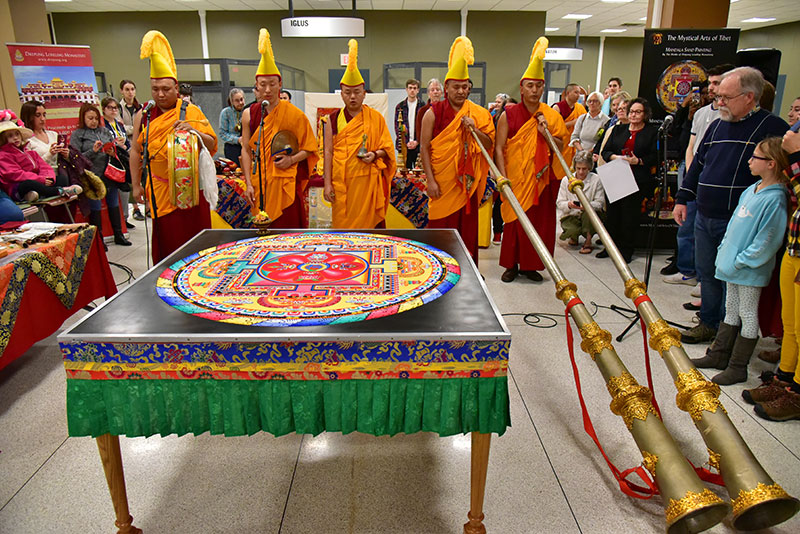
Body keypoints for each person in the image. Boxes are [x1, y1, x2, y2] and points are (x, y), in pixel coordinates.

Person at [674, 66, 789, 344]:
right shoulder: (716, 125)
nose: (719, 103)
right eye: (718, 97)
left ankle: (730, 334)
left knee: (733, 280)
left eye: (726, 97)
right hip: (704, 214)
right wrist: (682, 198)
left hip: (741, 220)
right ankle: (709, 322)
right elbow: (698, 165)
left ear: (749, 96)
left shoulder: (772, 127)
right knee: (708, 273)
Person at [691, 137, 788, 385]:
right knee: (731, 310)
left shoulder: (775, 199)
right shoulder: (751, 190)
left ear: (771, 164)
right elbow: (735, 226)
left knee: (747, 313)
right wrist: (725, 253)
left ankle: (738, 366)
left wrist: (742, 260)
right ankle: (720, 354)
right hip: (732, 266)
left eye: (755, 157)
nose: (749, 161)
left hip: (748, 270)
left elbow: (768, 239)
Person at [130, 30, 217, 263]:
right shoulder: (144, 116)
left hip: (190, 189)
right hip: (160, 190)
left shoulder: (191, 112)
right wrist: (136, 185)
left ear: (176, 88)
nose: (160, 94)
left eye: (166, 89)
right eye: (155, 89)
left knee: (194, 245)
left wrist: (195, 132)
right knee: (167, 244)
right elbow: (136, 152)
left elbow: (211, 144)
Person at [494, 36, 568, 281]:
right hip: (515, 178)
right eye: (530, 86)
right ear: (522, 87)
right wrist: (502, 178)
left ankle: (530, 265)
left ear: (543, 88)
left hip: (541, 179)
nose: (534, 90)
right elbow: (499, 147)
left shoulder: (550, 116)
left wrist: (545, 133)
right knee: (514, 223)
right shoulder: (509, 114)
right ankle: (511, 265)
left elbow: (560, 146)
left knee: (538, 223)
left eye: (538, 86)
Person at [420, 36, 494, 264]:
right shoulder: (433, 113)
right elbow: (424, 148)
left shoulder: (479, 114)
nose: (461, 91)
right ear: (446, 88)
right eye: (456, 87)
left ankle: (468, 269)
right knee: (440, 230)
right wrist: (430, 182)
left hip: (467, 185)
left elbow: (489, 143)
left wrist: (475, 130)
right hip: (442, 185)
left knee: (467, 229)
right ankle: (438, 270)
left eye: (465, 87)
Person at [743, 130, 800, 420]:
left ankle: (797, 396)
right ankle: (785, 379)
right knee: (789, 325)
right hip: (794, 249)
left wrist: (797, 154)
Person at [240, 29, 318, 227]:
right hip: (260, 185)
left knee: (289, 233)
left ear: (280, 84)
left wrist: (292, 159)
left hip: (286, 184)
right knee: (264, 232)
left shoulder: (295, 115)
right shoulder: (250, 114)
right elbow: (246, 151)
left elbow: (310, 148)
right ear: (256, 86)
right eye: (263, 85)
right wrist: (248, 183)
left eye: (272, 84)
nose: (268, 90)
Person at [322, 39, 396, 229]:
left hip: (367, 185)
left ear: (364, 93)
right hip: (342, 185)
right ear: (341, 94)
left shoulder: (375, 118)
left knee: (369, 232)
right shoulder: (331, 120)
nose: (352, 97)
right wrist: (327, 184)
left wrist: (375, 155)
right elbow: (328, 153)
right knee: (344, 232)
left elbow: (386, 149)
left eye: (356, 92)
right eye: (348, 92)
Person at [599, 98, 658, 263]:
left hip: (637, 179)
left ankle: (626, 250)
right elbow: (605, 151)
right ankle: (609, 247)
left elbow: (655, 156)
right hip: (616, 175)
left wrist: (637, 161)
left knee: (629, 217)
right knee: (612, 215)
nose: (633, 115)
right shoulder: (618, 130)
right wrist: (615, 157)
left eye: (638, 112)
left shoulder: (651, 132)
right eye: (631, 111)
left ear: (645, 114)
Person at [71, 103, 130, 246]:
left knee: (114, 204)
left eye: (96, 118)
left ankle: (118, 234)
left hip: (109, 173)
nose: (94, 121)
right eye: (90, 118)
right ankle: (99, 240)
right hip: (92, 176)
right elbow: (76, 157)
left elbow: (114, 148)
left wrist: (112, 151)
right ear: (83, 118)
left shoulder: (104, 131)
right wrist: (93, 151)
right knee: (96, 207)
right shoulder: (78, 135)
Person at [0, 111, 81, 202]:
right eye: (10, 136)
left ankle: (36, 194)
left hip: (38, 181)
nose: (15, 138)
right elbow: (15, 174)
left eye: (17, 134)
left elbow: (44, 166)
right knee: (29, 184)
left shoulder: (30, 153)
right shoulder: (3, 156)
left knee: (62, 178)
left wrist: (48, 178)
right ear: (3, 139)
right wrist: (40, 179)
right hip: (18, 186)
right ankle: (59, 191)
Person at [556, 150, 605, 253]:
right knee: (571, 229)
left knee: (588, 213)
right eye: (578, 168)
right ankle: (573, 235)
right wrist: (569, 205)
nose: (581, 172)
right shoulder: (566, 180)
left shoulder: (596, 179)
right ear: (574, 167)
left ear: (590, 168)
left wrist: (586, 205)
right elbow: (559, 202)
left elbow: (600, 202)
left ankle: (588, 240)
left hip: (589, 215)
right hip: (571, 214)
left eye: (584, 169)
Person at [119, 79, 145, 221]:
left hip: (141, 146)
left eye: (132, 89)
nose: (130, 92)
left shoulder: (140, 108)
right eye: (127, 89)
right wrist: (135, 128)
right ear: (122, 91)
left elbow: (142, 128)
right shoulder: (118, 107)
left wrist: (132, 129)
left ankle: (148, 207)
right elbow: (120, 128)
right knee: (132, 177)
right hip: (125, 148)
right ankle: (135, 208)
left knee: (145, 175)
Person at [20, 100, 69, 175]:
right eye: (38, 115)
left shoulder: (53, 135)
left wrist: (66, 155)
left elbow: (64, 160)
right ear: (29, 117)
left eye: (44, 115)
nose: (42, 119)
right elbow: (31, 167)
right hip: (42, 178)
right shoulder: (26, 141)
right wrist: (49, 154)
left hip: (61, 173)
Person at [394, 78, 423, 170]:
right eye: (410, 88)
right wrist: (405, 142)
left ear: (418, 90)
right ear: (406, 89)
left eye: (414, 88)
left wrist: (417, 141)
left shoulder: (422, 106)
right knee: (404, 172)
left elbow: (424, 127)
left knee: (419, 172)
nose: (412, 90)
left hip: (418, 145)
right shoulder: (400, 107)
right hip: (404, 145)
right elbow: (397, 126)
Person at [219, 88, 246, 163]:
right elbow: (222, 134)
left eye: (241, 99)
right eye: (237, 101)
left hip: (247, 146)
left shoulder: (248, 111)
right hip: (232, 148)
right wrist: (237, 140)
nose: (240, 103)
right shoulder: (226, 113)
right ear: (232, 102)